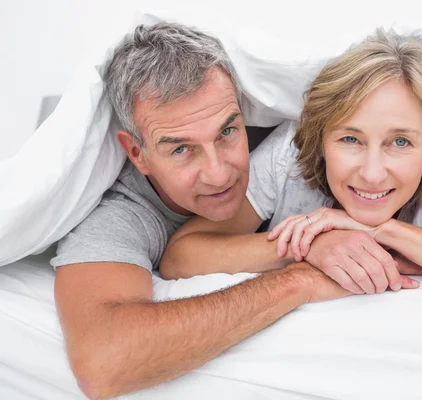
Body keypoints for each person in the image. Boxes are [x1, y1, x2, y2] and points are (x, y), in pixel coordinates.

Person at [161, 29, 422, 321]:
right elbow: (182, 256)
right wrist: (313, 244)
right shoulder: (289, 160)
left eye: (401, 142)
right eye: (350, 139)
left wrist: (386, 232)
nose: (372, 173)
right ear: (320, 140)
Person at [50, 22, 354, 400]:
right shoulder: (121, 216)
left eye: (227, 132)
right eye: (181, 149)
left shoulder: (285, 146)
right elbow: (103, 360)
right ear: (136, 153)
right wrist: (298, 278)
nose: (219, 173)